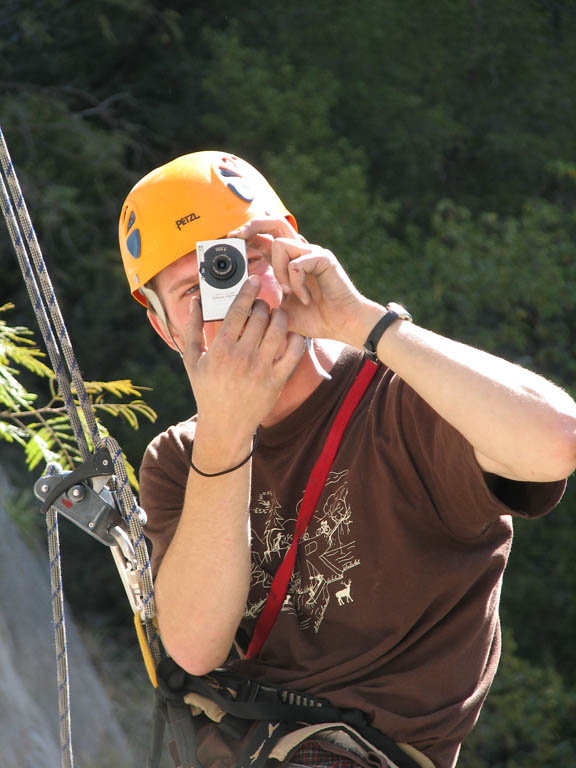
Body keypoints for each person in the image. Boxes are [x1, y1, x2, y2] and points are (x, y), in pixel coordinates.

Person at [118, 151, 576, 768]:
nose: (225, 298)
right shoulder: (181, 459)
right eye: (191, 289)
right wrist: (227, 431)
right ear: (164, 328)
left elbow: (557, 441)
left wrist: (360, 320)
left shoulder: (405, 402)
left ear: (293, 248)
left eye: (236, 263)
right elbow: (195, 647)